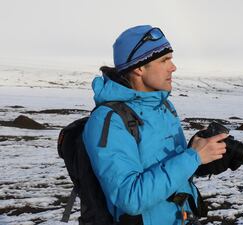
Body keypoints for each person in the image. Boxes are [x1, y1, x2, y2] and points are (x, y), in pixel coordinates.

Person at [82, 25, 227, 225]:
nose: (173, 67)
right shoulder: (108, 120)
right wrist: (192, 157)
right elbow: (130, 198)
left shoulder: (164, 106)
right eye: (164, 60)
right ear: (139, 68)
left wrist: (202, 160)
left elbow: (168, 170)